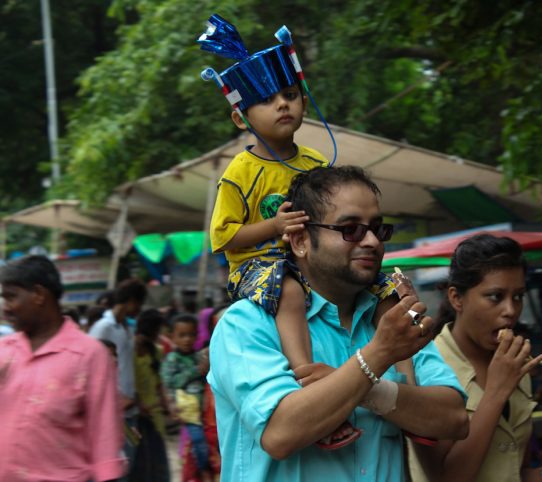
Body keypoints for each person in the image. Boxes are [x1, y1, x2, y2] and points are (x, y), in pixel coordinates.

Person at [199, 14, 399, 448]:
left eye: (290, 95)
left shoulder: (314, 164)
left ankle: (410, 397)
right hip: (259, 269)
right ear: (241, 119)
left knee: (387, 288)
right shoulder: (239, 172)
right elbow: (223, 238)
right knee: (288, 288)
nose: (283, 105)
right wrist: (274, 226)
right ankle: (310, 387)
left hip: (315, 265)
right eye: (268, 99)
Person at [208, 165, 469, 481]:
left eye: (377, 228)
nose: (372, 241)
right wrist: (377, 356)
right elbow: (281, 432)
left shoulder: (392, 323)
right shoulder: (247, 324)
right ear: (301, 240)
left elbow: (454, 419)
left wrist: (369, 390)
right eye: (351, 229)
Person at [408, 234, 542, 482]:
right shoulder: (425, 369)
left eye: (518, 296)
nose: (511, 311)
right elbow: (447, 477)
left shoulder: (515, 362)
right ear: (456, 298)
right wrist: (496, 392)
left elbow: (521, 462)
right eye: (495, 297)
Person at [0, 255, 125, 482]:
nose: (5, 308)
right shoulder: (5, 351)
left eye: (11, 298)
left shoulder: (89, 356)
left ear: (39, 295)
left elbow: (105, 440)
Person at [88, 278, 147, 479]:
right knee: (118, 465)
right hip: (115, 406)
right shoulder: (104, 327)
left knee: (128, 460)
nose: (139, 308)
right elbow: (92, 367)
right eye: (138, 303)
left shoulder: (125, 327)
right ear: (130, 301)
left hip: (129, 406)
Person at [161, 313, 212, 482]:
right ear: (172, 337)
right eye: (182, 335)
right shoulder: (172, 359)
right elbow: (171, 381)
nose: (187, 340)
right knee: (198, 440)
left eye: (191, 335)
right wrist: (195, 371)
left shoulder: (198, 356)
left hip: (203, 408)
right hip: (188, 411)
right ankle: (203, 468)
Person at [132, 309, 170, 482]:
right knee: (140, 460)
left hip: (154, 412)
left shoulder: (156, 350)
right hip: (135, 413)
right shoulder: (129, 349)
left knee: (156, 459)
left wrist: (166, 404)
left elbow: (158, 382)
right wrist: (138, 406)